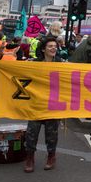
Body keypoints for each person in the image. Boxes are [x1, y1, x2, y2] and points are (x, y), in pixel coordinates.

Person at [24, 37, 63, 173]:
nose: (53, 48)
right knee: (31, 133)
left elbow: (77, 72)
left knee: (51, 134)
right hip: (36, 104)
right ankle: (30, 158)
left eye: (55, 46)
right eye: (50, 46)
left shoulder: (61, 63)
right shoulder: (34, 63)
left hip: (53, 105)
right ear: (43, 49)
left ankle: (51, 156)